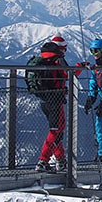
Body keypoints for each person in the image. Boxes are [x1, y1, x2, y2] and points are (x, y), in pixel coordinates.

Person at [28, 34, 73, 172]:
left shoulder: (43, 59)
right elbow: (69, 73)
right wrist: (80, 67)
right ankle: (43, 160)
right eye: (64, 49)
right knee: (56, 129)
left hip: (44, 99)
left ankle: (60, 159)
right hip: (55, 98)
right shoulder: (58, 60)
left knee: (56, 129)